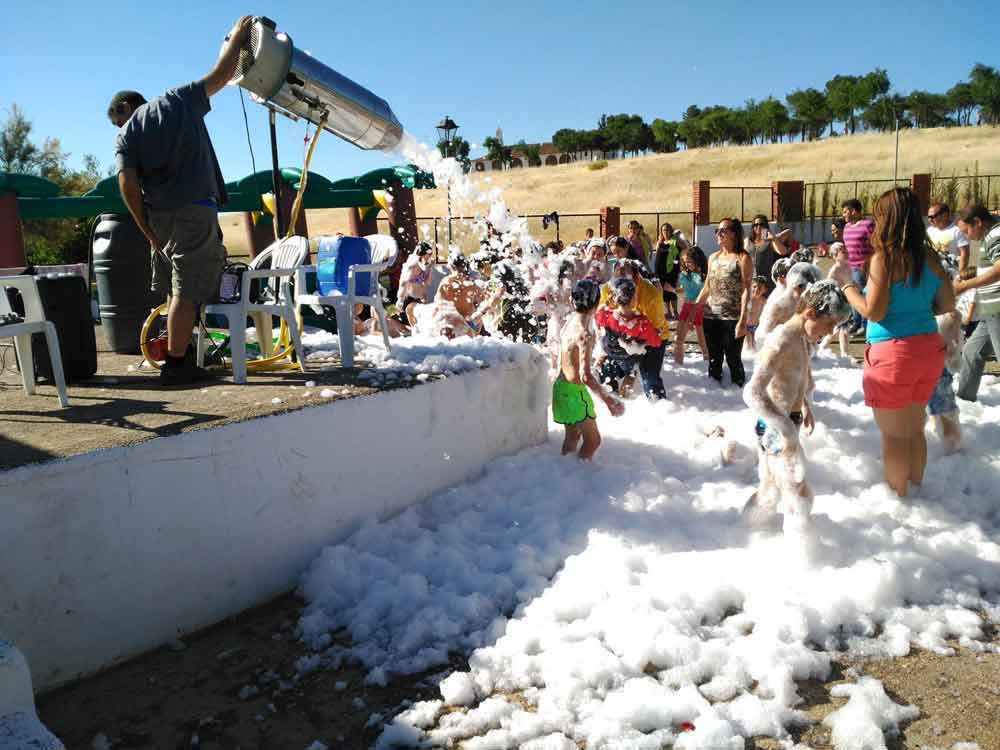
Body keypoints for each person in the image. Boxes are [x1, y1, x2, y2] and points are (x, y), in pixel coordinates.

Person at [110, 15, 252, 384]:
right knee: (187, 289)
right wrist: (239, 37)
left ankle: (181, 352)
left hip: (161, 217)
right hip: (194, 210)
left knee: (181, 286)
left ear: (127, 107)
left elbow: (126, 184)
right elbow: (222, 75)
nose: (120, 127)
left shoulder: (126, 136)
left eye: (118, 120)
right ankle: (177, 364)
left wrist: (147, 230)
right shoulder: (177, 100)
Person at [832, 188, 955, 497]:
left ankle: (900, 504)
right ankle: (917, 493)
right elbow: (946, 303)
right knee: (915, 431)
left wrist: (847, 286)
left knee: (894, 437)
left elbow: (874, 310)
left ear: (888, 218)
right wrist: (916, 304)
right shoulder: (929, 256)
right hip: (928, 349)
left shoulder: (883, 258)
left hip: (893, 353)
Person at [743, 281, 852, 531]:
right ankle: (801, 550)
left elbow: (794, 375)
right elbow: (752, 392)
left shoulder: (799, 336)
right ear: (810, 313)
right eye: (829, 324)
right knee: (796, 489)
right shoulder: (781, 340)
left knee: (771, 486)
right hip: (774, 427)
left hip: (783, 422)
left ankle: (754, 530)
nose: (831, 332)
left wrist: (803, 404)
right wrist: (786, 430)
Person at [553, 279, 625, 460]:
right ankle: (581, 480)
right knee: (593, 441)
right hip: (574, 392)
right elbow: (585, 376)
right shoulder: (585, 334)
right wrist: (608, 400)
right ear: (596, 303)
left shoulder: (569, 322)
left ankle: (564, 476)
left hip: (560, 387)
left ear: (572, 301)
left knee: (572, 437)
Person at [598, 259, 670, 399]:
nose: (621, 287)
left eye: (626, 281)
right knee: (606, 371)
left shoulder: (651, 296)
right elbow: (598, 319)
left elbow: (656, 336)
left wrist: (637, 351)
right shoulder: (609, 288)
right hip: (620, 341)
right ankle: (612, 403)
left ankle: (659, 406)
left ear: (637, 278)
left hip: (648, 339)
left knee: (650, 378)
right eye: (618, 280)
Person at [694, 218, 753, 387]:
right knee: (714, 359)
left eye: (723, 230)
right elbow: (707, 287)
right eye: (717, 231)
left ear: (734, 234)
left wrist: (743, 321)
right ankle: (716, 396)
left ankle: (739, 393)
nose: (718, 234)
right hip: (710, 316)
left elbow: (746, 290)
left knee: (733, 359)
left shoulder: (742, 258)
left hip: (732, 317)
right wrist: (694, 311)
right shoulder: (713, 257)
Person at [954, 205, 1000, 402]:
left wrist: (966, 285)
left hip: (998, 309)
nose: (967, 237)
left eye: (967, 231)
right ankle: (965, 402)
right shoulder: (988, 235)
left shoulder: (995, 235)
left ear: (978, 222)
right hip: (990, 311)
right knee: (972, 353)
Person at [756, 262, 823, 344]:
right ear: (796, 285)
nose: (807, 292)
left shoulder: (808, 305)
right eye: (803, 287)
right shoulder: (780, 305)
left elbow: (815, 337)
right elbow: (763, 336)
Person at [841, 198, 876, 334]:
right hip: (852, 267)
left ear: (854, 211)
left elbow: (876, 245)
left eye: (845, 212)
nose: (843, 215)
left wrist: (870, 263)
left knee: (865, 295)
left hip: (865, 267)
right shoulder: (847, 227)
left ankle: (865, 324)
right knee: (855, 295)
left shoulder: (868, 225)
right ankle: (856, 322)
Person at [673, 246, 710, 364]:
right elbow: (683, 289)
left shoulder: (704, 276)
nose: (686, 264)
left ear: (697, 259)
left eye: (689, 261)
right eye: (684, 262)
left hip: (699, 308)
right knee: (679, 338)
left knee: (702, 340)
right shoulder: (685, 275)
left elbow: (705, 295)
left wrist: (692, 317)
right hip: (686, 306)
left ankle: (708, 363)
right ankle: (678, 365)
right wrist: (672, 289)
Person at [395, 242, 435, 326]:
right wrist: (400, 301)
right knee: (416, 328)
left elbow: (428, 282)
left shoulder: (423, 266)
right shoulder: (412, 266)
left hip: (420, 301)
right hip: (410, 301)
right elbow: (403, 282)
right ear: (421, 255)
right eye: (428, 255)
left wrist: (431, 269)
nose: (430, 257)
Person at [926, 203, 971, 272]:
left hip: (952, 273)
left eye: (932, 217)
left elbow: (965, 254)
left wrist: (961, 272)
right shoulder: (929, 231)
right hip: (933, 272)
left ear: (945, 215)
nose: (929, 220)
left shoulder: (957, 230)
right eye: (928, 217)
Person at [654, 222, 683, 319]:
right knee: (664, 293)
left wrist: (679, 263)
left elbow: (686, 248)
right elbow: (657, 258)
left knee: (672, 291)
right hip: (661, 271)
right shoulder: (660, 242)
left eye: (667, 230)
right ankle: (668, 312)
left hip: (672, 270)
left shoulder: (675, 241)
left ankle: (675, 312)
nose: (665, 232)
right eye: (663, 230)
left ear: (671, 231)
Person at [744, 276, 769, 352]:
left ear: (765, 290)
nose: (756, 290)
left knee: (756, 347)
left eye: (760, 288)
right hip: (746, 326)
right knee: (748, 346)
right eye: (754, 287)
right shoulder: (748, 299)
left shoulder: (764, 301)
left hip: (756, 327)